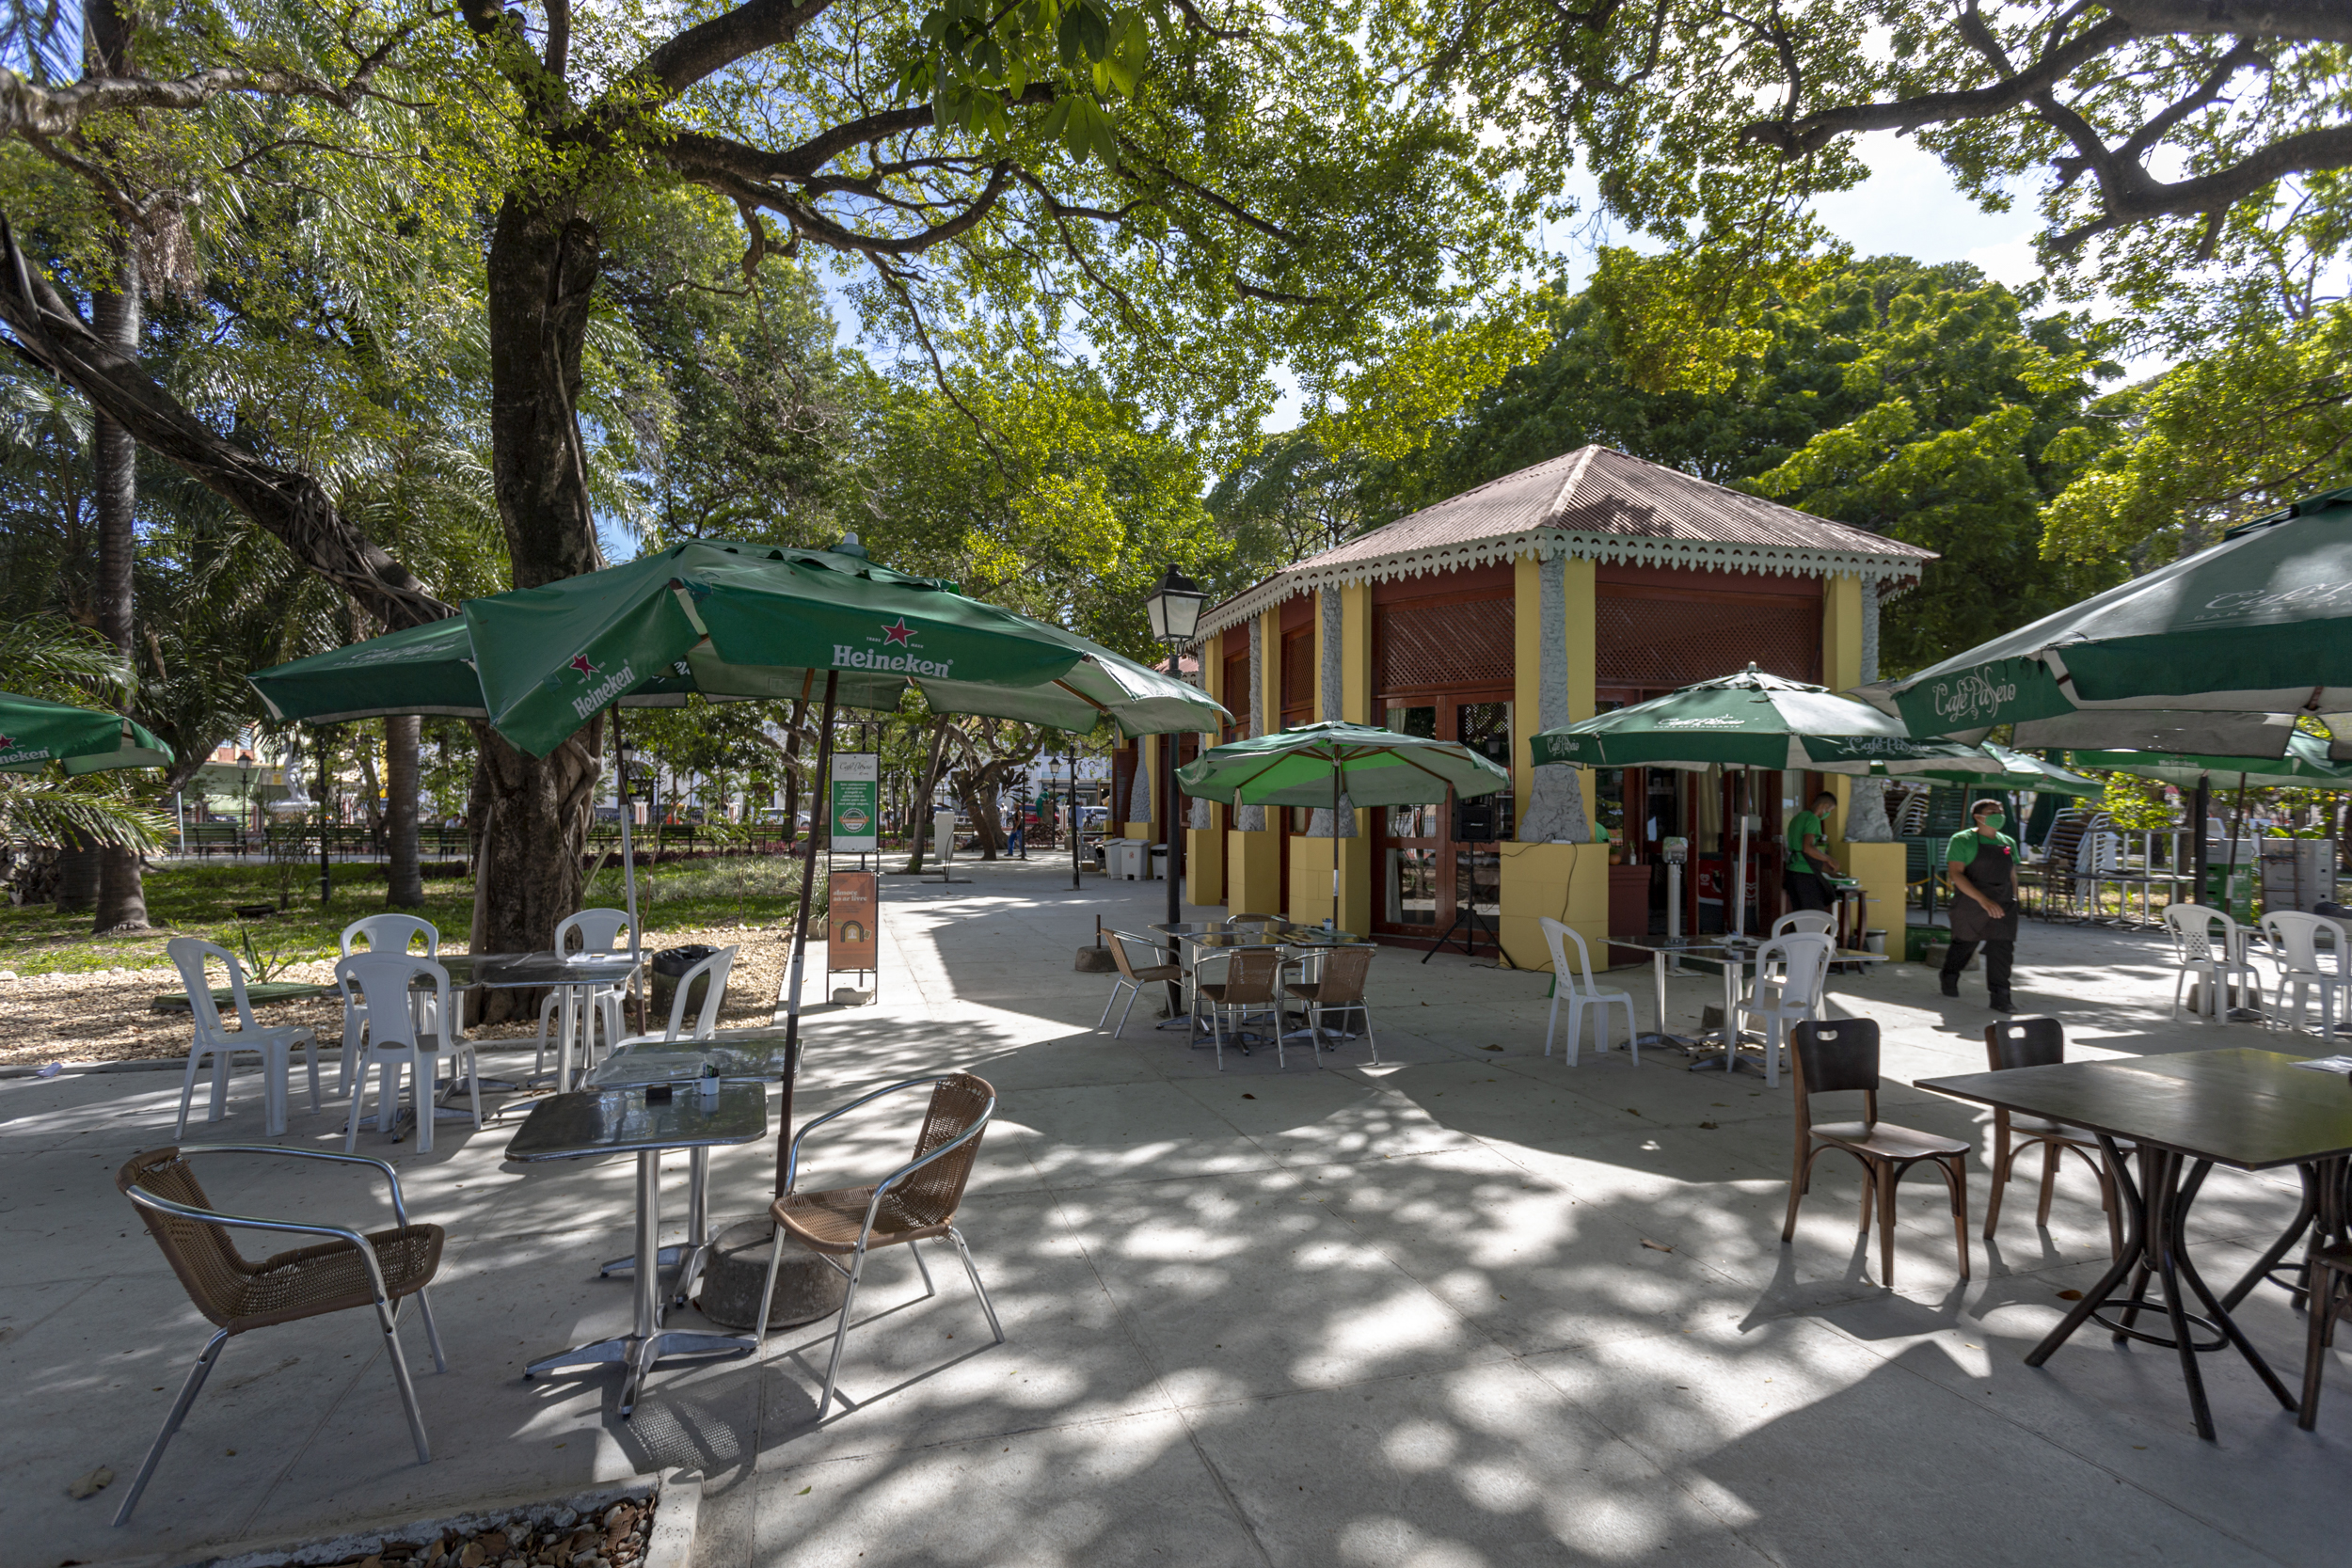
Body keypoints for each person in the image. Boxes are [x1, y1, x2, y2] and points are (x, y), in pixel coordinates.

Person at [1941, 798, 2020, 1012]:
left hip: (2003, 903)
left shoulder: (2007, 843)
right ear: (1978, 816)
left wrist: (2014, 898)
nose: (1998, 814)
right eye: (1992, 811)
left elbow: (2012, 874)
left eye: (2000, 810)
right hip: (1970, 902)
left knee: (2002, 949)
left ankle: (2001, 997)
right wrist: (1982, 900)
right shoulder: (1962, 840)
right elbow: (1956, 874)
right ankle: (1949, 975)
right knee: (1964, 944)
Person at [1782, 789, 1843, 913]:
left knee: (1799, 916)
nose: (1828, 814)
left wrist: (1829, 871)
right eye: (1830, 810)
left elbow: (1803, 854)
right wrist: (1829, 859)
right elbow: (1808, 848)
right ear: (1824, 806)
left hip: (1792, 871)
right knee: (1812, 916)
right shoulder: (1813, 819)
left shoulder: (1798, 817)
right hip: (1805, 875)